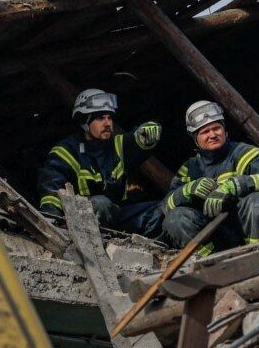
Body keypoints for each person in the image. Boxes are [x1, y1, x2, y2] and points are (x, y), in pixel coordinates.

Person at [162, 100, 259, 256]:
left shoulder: (245, 153)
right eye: (205, 132)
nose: (212, 135)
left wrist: (235, 185)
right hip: (216, 240)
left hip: (249, 229)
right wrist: (186, 191)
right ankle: (209, 264)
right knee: (175, 218)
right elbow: (164, 207)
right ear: (195, 139)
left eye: (216, 128)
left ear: (225, 130)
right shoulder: (189, 169)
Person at [37, 88, 164, 238]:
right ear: (84, 122)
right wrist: (52, 224)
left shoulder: (118, 145)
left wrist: (149, 132)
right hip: (79, 223)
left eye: (109, 118)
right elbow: (51, 191)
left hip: (116, 215)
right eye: (100, 118)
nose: (107, 123)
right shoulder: (66, 151)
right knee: (101, 204)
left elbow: (135, 141)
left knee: (160, 209)